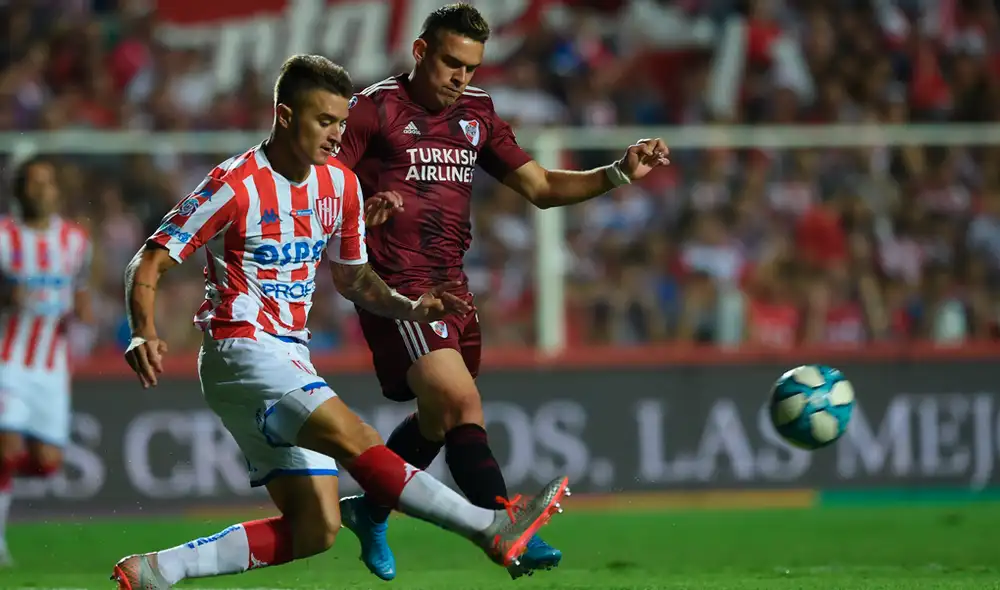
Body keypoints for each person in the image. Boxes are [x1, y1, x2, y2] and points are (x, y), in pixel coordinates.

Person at [111, 54, 569, 590]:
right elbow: (150, 258)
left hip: (285, 355)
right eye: (323, 121)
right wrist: (143, 328)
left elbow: (354, 280)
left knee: (315, 527)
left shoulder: (341, 187)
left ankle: (158, 571)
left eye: (340, 123)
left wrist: (409, 306)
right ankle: (489, 528)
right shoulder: (235, 184)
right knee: (358, 437)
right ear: (285, 116)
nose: (335, 135)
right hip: (244, 348)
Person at [334, 2, 669, 581]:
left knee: (439, 418)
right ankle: (502, 524)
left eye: (471, 66)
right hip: (396, 286)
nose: (461, 76)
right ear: (420, 51)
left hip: (452, 288)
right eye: (450, 62)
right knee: (461, 402)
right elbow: (322, 188)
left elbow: (539, 185)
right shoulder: (374, 109)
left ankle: (371, 507)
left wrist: (616, 172)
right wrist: (361, 214)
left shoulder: (478, 115)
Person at [0, 157, 93, 567]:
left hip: (52, 366)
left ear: (57, 191)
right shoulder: (3, 237)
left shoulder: (75, 241)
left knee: (47, 463)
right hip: (7, 359)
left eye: (48, 182)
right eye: (33, 183)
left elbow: (82, 291)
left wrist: (85, 313)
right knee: (6, 449)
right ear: (20, 191)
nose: (41, 190)